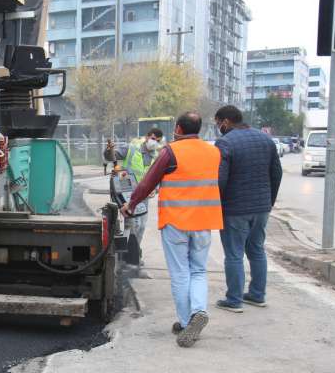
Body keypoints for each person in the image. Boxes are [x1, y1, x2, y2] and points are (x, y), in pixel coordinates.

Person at [120, 112, 223, 347]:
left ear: (177, 128)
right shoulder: (214, 152)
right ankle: (199, 311)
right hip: (204, 220)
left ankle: (187, 322)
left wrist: (131, 204)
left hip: (176, 221)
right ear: (199, 128)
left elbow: (148, 182)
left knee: (180, 273)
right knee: (198, 271)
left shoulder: (171, 151)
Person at [212, 105, 283, 312]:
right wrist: (269, 202)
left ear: (225, 121)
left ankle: (234, 299)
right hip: (261, 208)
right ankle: (257, 295)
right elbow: (276, 174)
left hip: (235, 209)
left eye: (218, 123)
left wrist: (217, 204)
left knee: (234, 254)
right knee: (257, 250)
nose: (218, 127)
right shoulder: (265, 140)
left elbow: (220, 180)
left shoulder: (225, 143)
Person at [105, 127, 165, 257]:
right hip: (129, 195)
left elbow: (157, 175)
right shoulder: (131, 148)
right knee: (133, 225)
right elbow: (112, 156)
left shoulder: (157, 155)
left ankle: (134, 255)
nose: (154, 143)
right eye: (153, 139)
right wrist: (109, 151)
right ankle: (127, 258)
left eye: (158, 141)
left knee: (141, 226)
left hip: (145, 196)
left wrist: (155, 189)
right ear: (147, 136)